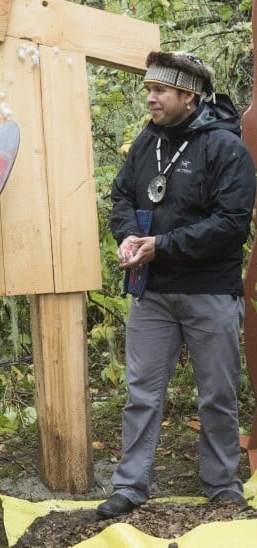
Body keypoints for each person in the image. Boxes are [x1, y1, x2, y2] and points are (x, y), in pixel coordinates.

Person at [96, 51, 256, 519]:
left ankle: (221, 482)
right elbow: (121, 195)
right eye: (148, 89)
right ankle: (130, 486)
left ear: (188, 95)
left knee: (217, 395)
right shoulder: (147, 143)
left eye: (159, 90)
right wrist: (128, 236)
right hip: (153, 294)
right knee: (141, 393)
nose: (150, 98)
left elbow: (231, 225)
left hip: (210, 291)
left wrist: (160, 244)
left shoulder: (227, 148)